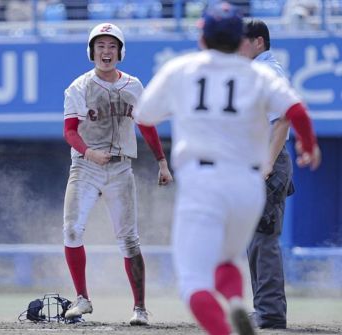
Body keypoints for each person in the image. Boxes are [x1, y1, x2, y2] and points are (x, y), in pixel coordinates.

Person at [134, 2, 321, 335]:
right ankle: (236, 303)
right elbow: (297, 110)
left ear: (202, 37)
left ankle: (227, 326)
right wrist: (309, 145)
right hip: (246, 183)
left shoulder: (183, 68)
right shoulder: (258, 74)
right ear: (238, 39)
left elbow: (144, 115)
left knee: (193, 283)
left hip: (204, 182)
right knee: (229, 257)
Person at [62, 22, 173, 325]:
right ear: (91, 51)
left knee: (129, 240)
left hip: (121, 165)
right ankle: (83, 298)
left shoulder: (133, 86)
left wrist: (161, 162)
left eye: (112, 46)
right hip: (86, 165)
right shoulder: (79, 87)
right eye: (100, 46)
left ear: (120, 52)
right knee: (72, 229)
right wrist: (89, 153)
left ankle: (139, 308)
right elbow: (70, 132)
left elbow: (147, 125)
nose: (106, 51)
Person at [239, 18, 293, 330]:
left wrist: (269, 163)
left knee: (264, 239)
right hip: (257, 161)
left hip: (266, 162)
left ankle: (271, 313)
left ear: (258, 42)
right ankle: (264, 308)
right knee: (256, 240)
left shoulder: (267, 72)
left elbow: (283, 119)